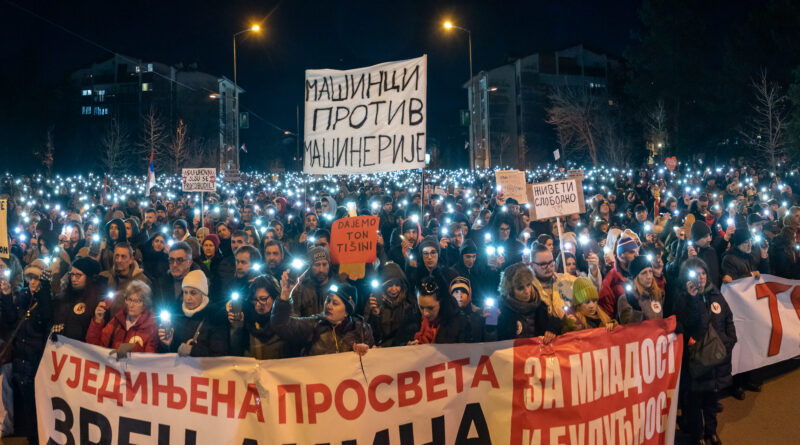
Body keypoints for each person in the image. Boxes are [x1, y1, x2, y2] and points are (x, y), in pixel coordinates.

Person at [675, 258, 736, 445]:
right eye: (696, 274)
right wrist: (693, 300)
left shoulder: (715, 294)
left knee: (711, 401)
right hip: (696, 361)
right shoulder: (682, 298)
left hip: (715, 360)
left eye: (703, 273)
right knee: (694, 403)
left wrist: (728, 341)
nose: (700, 278)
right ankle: (698, 435)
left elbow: (728, 319)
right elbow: (689, 324)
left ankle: (711, 431)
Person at [1, 258, 53, 443]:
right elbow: (10, 321)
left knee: (35, 409)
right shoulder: (23, 297)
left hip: (34, 363)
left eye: (37, 278)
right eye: (30, 277)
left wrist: (44, 292)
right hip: (20, 361)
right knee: (25, 410)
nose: (32, 282)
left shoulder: (46, 301)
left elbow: (45, 317)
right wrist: (6, 297)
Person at [271, 279, 373, 356]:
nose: (329, 306)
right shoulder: (314, 324)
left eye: (335, 303)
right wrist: (284, 297)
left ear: (347, 312)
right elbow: (281, 326)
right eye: (328, 300)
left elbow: (372, 364)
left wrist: (367, 351)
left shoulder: (362, 330)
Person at [157, 270, 229, 357]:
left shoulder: (216, 316)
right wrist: (168, 343)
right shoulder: (177, 314)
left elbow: (219, 353)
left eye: (193, 293)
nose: (188, 298)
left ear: (203, 295)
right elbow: (172, 353)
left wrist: (192, 350)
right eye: (185, 292)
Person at [86, 280, 158, 353]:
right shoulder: (118, 320)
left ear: (145, 304)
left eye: (137, 301)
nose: (131, 305)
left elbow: (150, 360)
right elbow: (95, 346)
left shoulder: (150, 326)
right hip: (113, 363)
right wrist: (97, 321)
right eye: (129, 299)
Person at [227, 275, 288, 359]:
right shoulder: (248, 321)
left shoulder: (285, 321)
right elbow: (236, 352)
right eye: (255, 299)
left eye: (263, 299)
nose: (258, 304)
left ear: (275, 297)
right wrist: (237, 328)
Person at [496, 263, 561, 341]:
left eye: (528, 285)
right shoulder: (497, 308)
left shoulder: (540, 306)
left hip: (537, 352)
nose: (527, 291)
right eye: (520, 288)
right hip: (512, 352)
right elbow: (489, 341)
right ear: (510, 290)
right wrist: (489, 325)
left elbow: (555, 322)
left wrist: (552, 330)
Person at [364, 262, 420, 347]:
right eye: (389, 285)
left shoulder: (409, 303)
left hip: (401, 349)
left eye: (397, 284)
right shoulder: (374, 302)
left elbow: (409, 331)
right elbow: (370, 334)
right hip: (380, 351)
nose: (394, 289)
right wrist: (375, 315)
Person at [409, 276, 467, 344]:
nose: (425, 313)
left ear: (442, 303)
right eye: (421, 307)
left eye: (430, 308)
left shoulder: (459, 324)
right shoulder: (413, 319)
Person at [617, 255, 665, 324]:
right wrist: (635, 309)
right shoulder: (625, 299)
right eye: (644, 273)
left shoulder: (657, 294)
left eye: (650, 271)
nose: (649, 276)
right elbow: (628, 328)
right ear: (636, 278)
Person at [291, 246, 334, 317]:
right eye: (317, 265)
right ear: (310, 267)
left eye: (324, 264)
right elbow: (294, 317)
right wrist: (294, 293)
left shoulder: (338, 288)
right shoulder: (301, 288)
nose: (321, 269)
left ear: (329, 265)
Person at [450, 276, 487, 342]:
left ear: (469, 294)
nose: (459, 295)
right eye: (456, 292)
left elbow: (489, 341)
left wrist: (491, 325)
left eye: (463, 292)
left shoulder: (479, 314)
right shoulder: (446, 316)